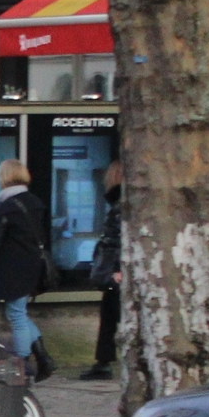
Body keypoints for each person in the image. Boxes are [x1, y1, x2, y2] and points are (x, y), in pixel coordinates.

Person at [0, 158, 54, 379]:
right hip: (33, 266)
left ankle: (23, 365)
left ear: (4, 178)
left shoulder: (5, 208)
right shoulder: (35, 203)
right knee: (19, 312)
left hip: (13, 268)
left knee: (17, 316)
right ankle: (43, 358)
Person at [83, 159, 122, 381]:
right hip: (117, 273)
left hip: (117, 274)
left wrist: (116, 270)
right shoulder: (121, 205)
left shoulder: (119, 207)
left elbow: (115, 242)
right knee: (109, 316)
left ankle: (104, 361)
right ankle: (103, 361)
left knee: (112, 317)